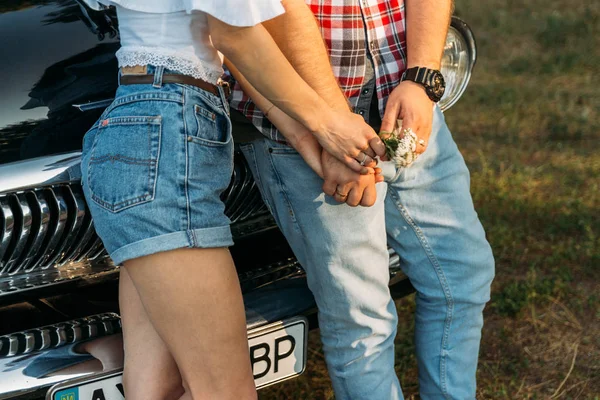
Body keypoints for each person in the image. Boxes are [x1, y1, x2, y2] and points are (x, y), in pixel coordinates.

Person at [78, 1, 387, 399]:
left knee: (158, 387)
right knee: (227, 392)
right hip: (167, 134)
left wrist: (318, 144)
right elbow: (235, 35)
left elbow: (233, 49)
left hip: (143, 125)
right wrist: (332, 123)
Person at [229, 0, 496, 398]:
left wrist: (422, 77)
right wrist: (333, 130)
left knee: (462, 275)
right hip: (306, 122)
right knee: (361, 316)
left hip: (403, 100)